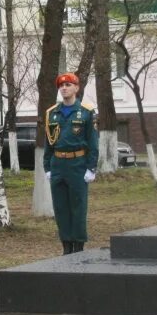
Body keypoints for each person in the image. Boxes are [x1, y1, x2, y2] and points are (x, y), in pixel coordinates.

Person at [42, 73, 99, 254]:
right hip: (58, 164)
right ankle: (66, 245)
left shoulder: (86, 111)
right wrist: (47, 167)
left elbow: (93, 143)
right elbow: (48, 142)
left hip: (78, 164)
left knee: (78, 206)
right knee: (60, 207)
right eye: (61, 85)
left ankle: (78, 245)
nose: (64, 88)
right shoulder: (52, 113)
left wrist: (91, 168)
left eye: (68, 85)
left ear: (76, 88)